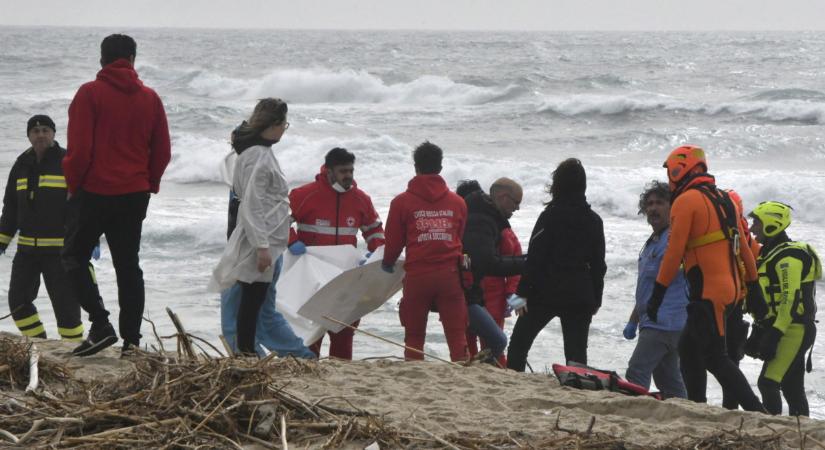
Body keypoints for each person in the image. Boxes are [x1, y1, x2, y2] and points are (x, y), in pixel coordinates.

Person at [61, 34, 171, 356]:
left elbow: (80, 151)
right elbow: (162, 151)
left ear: (102, 59)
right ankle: (132, 343)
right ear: (133, 59)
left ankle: (100, 323)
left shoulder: (89, 94)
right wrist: (148, 182)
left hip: (95, 192)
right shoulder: (150, 98)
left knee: (73, 257)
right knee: (128, 266)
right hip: (134, 194)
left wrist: (73, 187)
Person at [647, 145, 764, 412]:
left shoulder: (686, 201)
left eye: (670, 173)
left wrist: (657, 295)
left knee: (715, 359)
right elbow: (744, 247)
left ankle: (758, 411)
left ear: (680, 169)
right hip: (732, 290)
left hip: (710, 292)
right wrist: (754, 287)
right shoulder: (724, 198)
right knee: (688, 349)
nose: (669, 180)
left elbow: (674, 253)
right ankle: (697, 408)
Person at [216, 124, 314, 359]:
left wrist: (260, 249)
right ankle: (300, 356)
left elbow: (255, 214)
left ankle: (252, 358)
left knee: (235, 318)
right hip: (268, 249)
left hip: (254, 252)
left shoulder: (249, 174)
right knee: (265, 314)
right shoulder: (255, 170)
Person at [209, 98, 292, 356]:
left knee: (252, 300)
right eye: (284, 124)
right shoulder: (259, 155)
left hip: (259, 235)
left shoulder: (252, 151)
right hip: (259, 237)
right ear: (274, 124)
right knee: (252, 301)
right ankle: (246, 353)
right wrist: (262, 247)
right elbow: (253, 204)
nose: (284, 130)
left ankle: (246, 352)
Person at [507, 158, 606, 370]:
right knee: (576, 356)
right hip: (580, 294)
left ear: (557, 185)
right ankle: (577, 391)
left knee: (518, 345)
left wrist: (520, 294)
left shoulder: (549, 216)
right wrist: (596, 298)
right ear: (583, 186)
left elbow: (535, 258)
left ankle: (513, 383)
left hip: (544, 291)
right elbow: (599, 265)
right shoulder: (594, 220)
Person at [0, 115, 91, 342]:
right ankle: (40, 344)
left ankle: (73, 351)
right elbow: (10, 208)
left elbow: (85, 204)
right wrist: (2, 241)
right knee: (18, 304)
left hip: (61, 252)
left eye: (45, 130)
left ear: (53, 134)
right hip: (26, 253)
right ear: (29, 135)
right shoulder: (21, 164)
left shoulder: (67, 161)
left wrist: (88, 238)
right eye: (35, 130)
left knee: (67, 310)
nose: (40, 134)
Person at [288, 147, 385, 359]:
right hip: (312, 278)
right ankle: (308, 367)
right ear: (329, 171)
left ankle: (340, 370)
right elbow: (277, 220)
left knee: (344, 329)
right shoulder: (304, 195)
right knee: (311, 329)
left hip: (346, 277)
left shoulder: (361, 199)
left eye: (351, 170)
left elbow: (374, 229)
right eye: (343, 171)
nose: (348, 175)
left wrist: (375, 251)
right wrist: (291, 240)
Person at [382, 141, 469, 362]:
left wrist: (388, 262)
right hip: (450, 275)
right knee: (457, 335)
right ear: (440, 167)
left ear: (416, 167)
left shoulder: (401, 202)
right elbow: (459, 236)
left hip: (418, 276)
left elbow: (393, 242)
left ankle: (414, 374)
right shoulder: (458, 202)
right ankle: (461, 372)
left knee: (413, 336)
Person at [746, 201, 820, 416]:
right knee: (791, 386)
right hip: (784, 328)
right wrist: (760, 331)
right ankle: (800, 433)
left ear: (772, 224)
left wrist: (774, 334)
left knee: (768, 383)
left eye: (756, 223)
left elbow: (789, 298)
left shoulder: (790, 257)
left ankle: (774, 430)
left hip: (794, 330)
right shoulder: (770, 253)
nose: (752, 229)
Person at [622, 180, 688, 399]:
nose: (652, 208)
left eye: (659, 202)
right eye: (649, 204)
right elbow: (648, 287)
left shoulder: (675, 238)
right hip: (652, 320)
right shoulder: (653, 241)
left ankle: (634, 414)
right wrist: (634, 320)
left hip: (665, 321)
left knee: (636, 371)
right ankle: (684, 415)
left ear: (672, 206)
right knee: (668, 379)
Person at [460, 178, 526, 364]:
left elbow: (514, 267)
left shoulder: (499, 229)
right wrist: (515, 299)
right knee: (482, 344)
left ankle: (481, 369)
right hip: (481, 294)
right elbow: (516, 266)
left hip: (487, 295)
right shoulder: (492, 225)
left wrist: (515, 300)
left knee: (477, 343)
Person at [720, 189, 760, 410]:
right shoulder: (744, 236)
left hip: (728, 304)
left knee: (722, 360)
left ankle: (735, 407)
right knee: (729, 360)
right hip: (738, 303)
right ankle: (731, 407)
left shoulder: (733, 235)